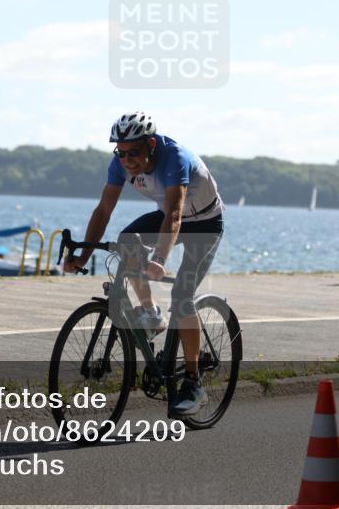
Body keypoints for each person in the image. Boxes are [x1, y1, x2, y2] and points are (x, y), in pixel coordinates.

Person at [64, 112, 224, 417]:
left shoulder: (173, 158)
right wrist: (83, 256)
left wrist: (160, 260)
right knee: (127, 241)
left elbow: (175, 214)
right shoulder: (120, 163)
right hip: (170, 218)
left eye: (133, 152)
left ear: (151, 144)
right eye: (120, 152)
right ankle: (150, 314)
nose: (126, 159)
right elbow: (104, 210)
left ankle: (193, 384)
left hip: (204, 223)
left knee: (182, 298)